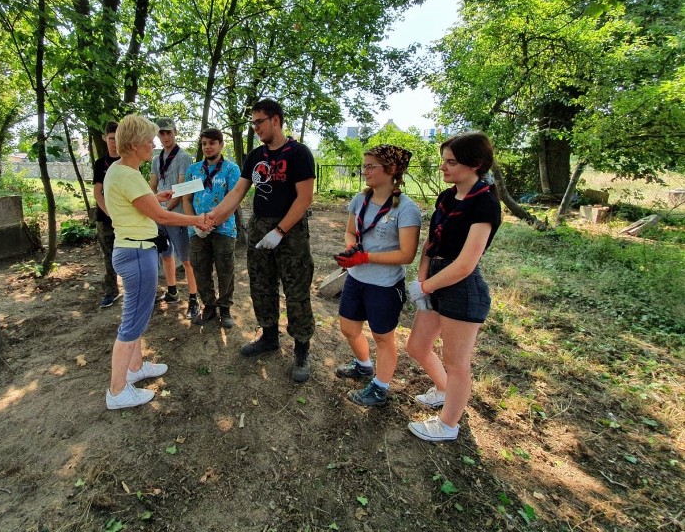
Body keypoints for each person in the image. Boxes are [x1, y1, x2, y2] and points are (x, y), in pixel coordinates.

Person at [103, 114, 213, 409]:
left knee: (136, 316)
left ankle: (136, 368)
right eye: (149, 141)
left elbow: (139, 202)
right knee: (131, 323)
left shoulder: (120, 169)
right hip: (137, 253)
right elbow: (162, 215)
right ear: (136, 143)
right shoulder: (127, 173)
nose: (153, 145)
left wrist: (155, 195)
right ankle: (117, 391)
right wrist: (198, 220)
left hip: (132, 249)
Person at [210, 97, 316, 382]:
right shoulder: (256, 156)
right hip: (259, 228)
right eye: (253, 123)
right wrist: (213, 217)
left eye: (260, 122)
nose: (256, 127)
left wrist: (280, 231)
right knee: (261, 285)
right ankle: (269, 335)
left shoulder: (298, 153)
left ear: (276, 120)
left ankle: (302, 348)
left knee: (296, 290)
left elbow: (305, 198)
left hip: (290, 231)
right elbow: (237, 193)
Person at [405, 132, 501, 441]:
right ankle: (444, 391)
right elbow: (431, 242)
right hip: (434, 277)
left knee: (456, 362)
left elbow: (465, 264)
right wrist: (421, 279)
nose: (443, 168)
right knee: (417, 346)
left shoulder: (485, 201)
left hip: (459, 285)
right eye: (443, 161)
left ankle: (448, 424)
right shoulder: (447, 196)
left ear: (475, 164)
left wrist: (428, 286)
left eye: (452, 162)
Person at [333, 145, 421, 406]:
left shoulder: (406, 209)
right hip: (356, 277)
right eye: (365, 165)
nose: (365, 171)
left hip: (384, 285)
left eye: (371, 166)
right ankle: (363, 365)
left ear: (391, 170)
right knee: (348, 327)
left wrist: (367, 257)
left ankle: (380, 388)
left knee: (383, 337)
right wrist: (352, 248)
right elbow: (350, 232)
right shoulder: (360, 199)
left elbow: (406, 255)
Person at [183, 128, 241, 328]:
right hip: (197, 231)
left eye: (212, 143)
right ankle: (208, 306)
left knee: (226, 270)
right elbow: (186, 200)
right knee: (200, 268)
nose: (207, 147)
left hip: (224, 230)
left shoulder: (232, 170)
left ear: (221, 145)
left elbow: (233, 201)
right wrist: (194, 223)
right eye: (204, 143)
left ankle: (225, 308)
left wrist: (212, 223)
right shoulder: (193, 170)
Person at [150, 117, 201, 321]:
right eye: (161, 133)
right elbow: (152, 185)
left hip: (177, 215)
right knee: (165, 253)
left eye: (168, 132)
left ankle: (194, 298)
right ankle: (172, 291)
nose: (165, 137)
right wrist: (155, 208)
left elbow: (181, 190)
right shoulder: (156, 159)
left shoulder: (184, 158)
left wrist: (164, 210)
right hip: (159, 213)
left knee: (187, 260)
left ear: (175, 132)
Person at [92, 121, 121, 308]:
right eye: (111, 139)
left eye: (117, 139)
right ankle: (111, 291)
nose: (114, 143)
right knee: (108, 255)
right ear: (105, 138)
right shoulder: (100, 164)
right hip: (106, 219)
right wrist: (110, 214)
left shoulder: (128, 161)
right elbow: (97, 192)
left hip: (126, 219)